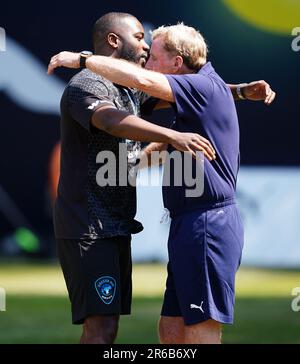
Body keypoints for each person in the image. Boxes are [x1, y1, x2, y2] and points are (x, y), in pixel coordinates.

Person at [48, 21, 276, 344]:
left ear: (177, 64)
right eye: (140, 40)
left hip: (207, 225)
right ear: (114, 40)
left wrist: (81, 58)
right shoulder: (192, 90)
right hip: (169, 225)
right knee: (169, 330)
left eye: (153, 53)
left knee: (197, 332)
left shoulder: (198, 87)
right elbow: (124, 123)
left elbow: (146, 81)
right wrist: (237, 92)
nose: (146, 57)